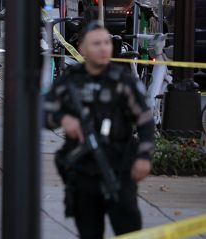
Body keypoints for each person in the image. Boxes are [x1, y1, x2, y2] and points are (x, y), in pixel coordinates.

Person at [44, 23, 154, 239]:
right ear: (82, 49)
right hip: (83, 173)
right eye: (96, 44)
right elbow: (43, 113)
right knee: (89, 231)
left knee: (129, 228)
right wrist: (62, 119)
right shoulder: (71, 80)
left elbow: (145, 121)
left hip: (119, 168)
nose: (104, 48)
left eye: (106, 43)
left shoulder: (123, 82)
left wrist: (144, 156)